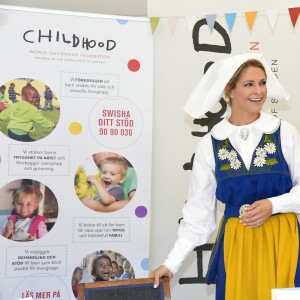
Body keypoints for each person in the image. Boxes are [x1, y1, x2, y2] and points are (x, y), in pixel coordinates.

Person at [150, 53, 300, 300]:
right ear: (229, 90)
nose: (259, 91)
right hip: (237, 245)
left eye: (262, 82)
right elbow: (198, 216)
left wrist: (274, 205)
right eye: (249, 84)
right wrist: (171, 264)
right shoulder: (211, 143)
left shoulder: (285, 132)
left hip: (283, 244)